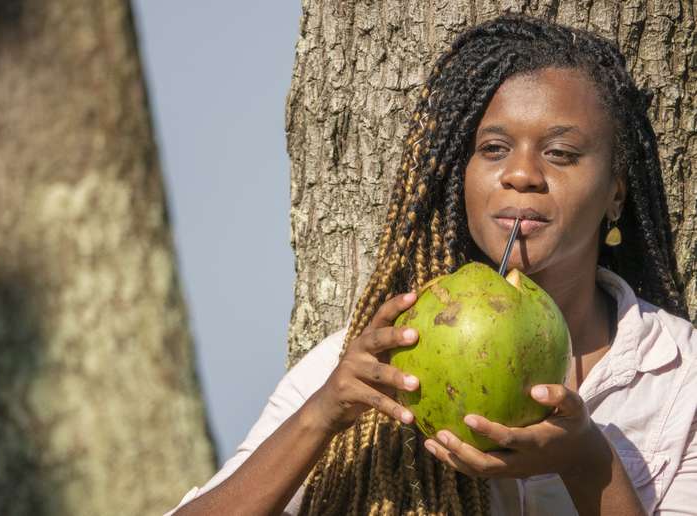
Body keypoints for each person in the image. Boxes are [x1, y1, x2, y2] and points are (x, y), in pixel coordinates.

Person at [168, 13, 696, 515]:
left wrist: (587, 464)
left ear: (616, 195)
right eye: (493, 148)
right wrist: (321, 416)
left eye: (560, 153)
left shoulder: (680, 377)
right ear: (458, 178)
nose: (521, 175)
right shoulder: (381, 363)